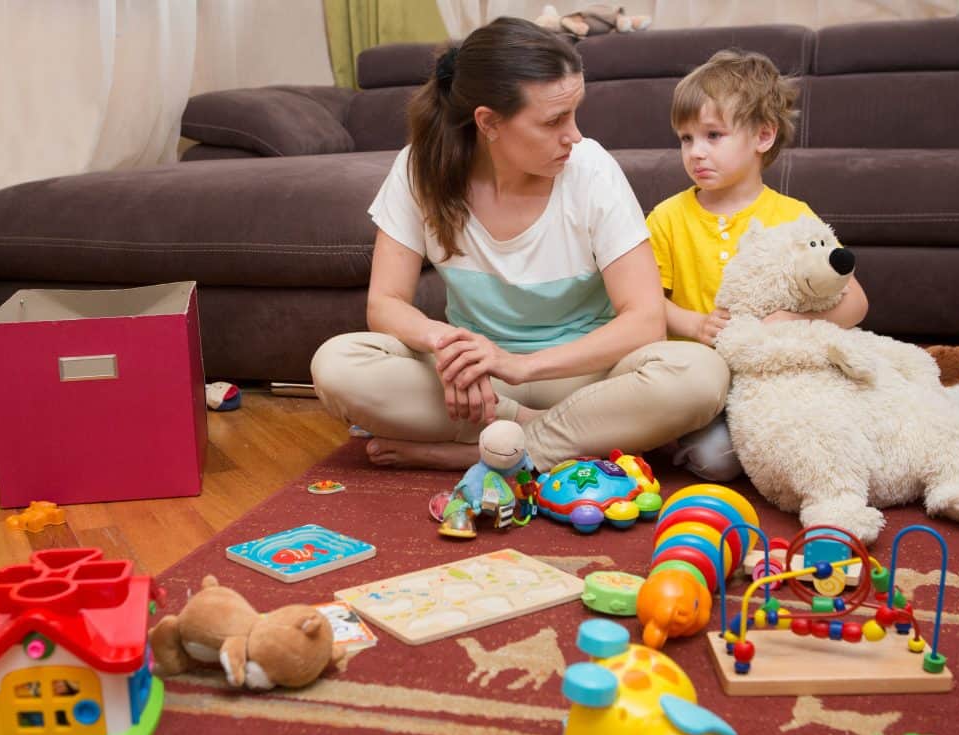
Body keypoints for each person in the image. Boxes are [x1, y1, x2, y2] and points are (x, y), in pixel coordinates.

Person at [310, 17, 729, 472]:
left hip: (585, 378)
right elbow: (386, 303)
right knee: (336, 365)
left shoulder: (590, 168)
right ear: (488, 123)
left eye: (574, 113)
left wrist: (522, 366)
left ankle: (485, 451)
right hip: (482, 385)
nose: (575, 135)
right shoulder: (420, 170)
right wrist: (449, 348)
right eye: (553, 121)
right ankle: (547, 437)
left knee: (700, 376)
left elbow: (645, 320)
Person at [647, 49, 869, 480]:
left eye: (713, 135)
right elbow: (644, 300)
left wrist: (793, 320)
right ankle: (685, 434)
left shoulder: (793, 216)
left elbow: (856, 302)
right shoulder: (667, 218)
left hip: (776, 379)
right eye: (686, 139)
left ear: (763, 137)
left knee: (840, 426)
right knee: (718, 462)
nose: (696, 152)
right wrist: (692, 323)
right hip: (702, 383)